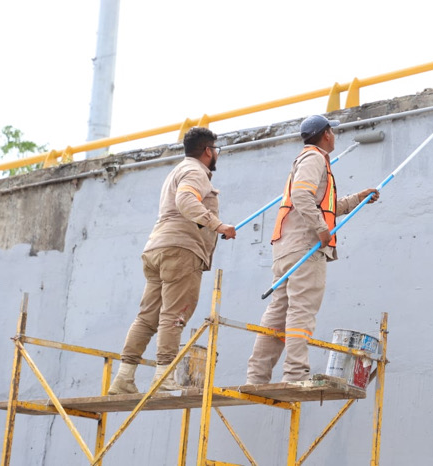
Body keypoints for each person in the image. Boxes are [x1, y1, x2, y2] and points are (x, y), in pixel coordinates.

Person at [245, 115, 379, 384]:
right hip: (305, 247)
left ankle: (257, 378)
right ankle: (295, 373)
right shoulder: (315, 158)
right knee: (301, 311)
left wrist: (357, 199)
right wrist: (320, 229)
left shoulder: (310, 160)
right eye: (333, 131)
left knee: (278, 312)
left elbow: (323, 205)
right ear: (326, 134)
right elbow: (302, 196)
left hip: (288, 246)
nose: (334, 136)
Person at [109, 127, 236, 395]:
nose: (216, 154)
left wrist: (211, 227)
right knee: (174, 316)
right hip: (181, 251)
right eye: (215, 150)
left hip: (157, 248)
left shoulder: (177, 170)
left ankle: (124, 377)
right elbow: (186, 201)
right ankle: (163, 377)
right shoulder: (195, 172)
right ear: (207, 151)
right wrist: (218, 225)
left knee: (147, 317)